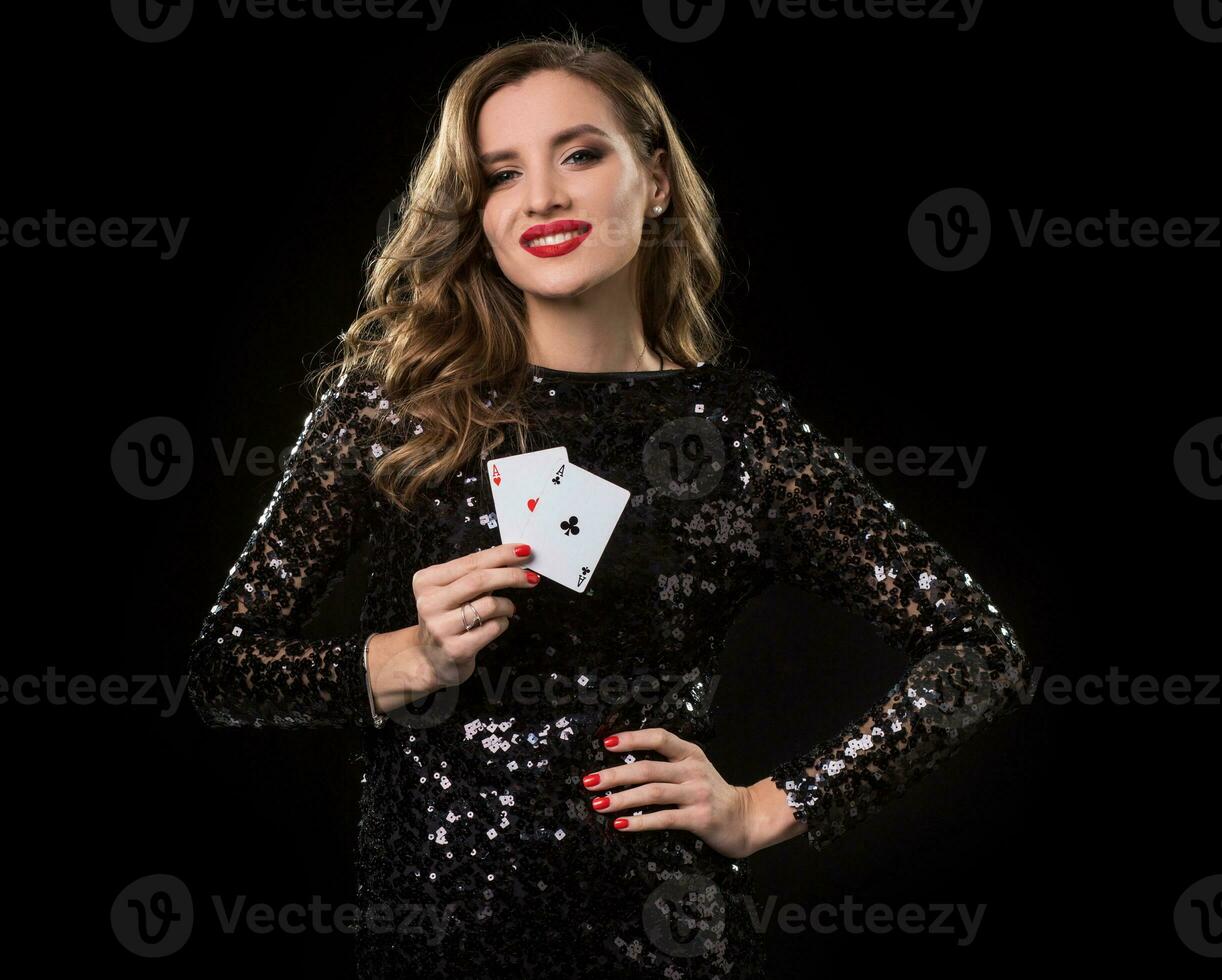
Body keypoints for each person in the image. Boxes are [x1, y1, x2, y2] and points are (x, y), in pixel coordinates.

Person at [185, 30, 1030, 979]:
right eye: (501, 174)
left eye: (580, 154)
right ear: (477, 213)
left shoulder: (738, 432)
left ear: (656, 179)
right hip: (434, 948)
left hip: (666, 949)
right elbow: (224, 669)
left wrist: (766, 805)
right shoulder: (398, 404)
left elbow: (979, 653)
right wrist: (406, 658)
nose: (542, 196)